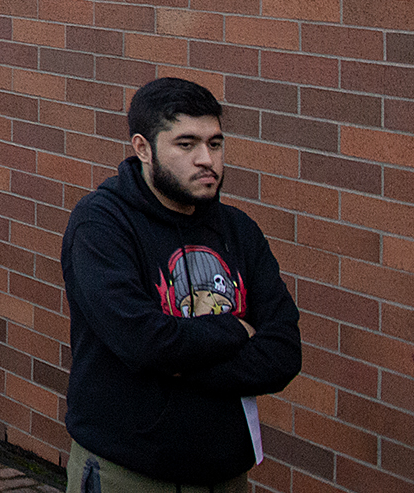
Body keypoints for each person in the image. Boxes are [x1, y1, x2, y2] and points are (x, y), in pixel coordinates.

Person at [61, 77, 300, 493]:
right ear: (143, 148)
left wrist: (174, 363)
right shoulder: (101, 225)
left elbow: (283, 353)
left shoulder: (238, 230)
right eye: (186, 145)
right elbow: (143, 341)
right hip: (129, 470)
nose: (206, 159)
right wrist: (235, 331)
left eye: (215, 143)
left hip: (226, 473)